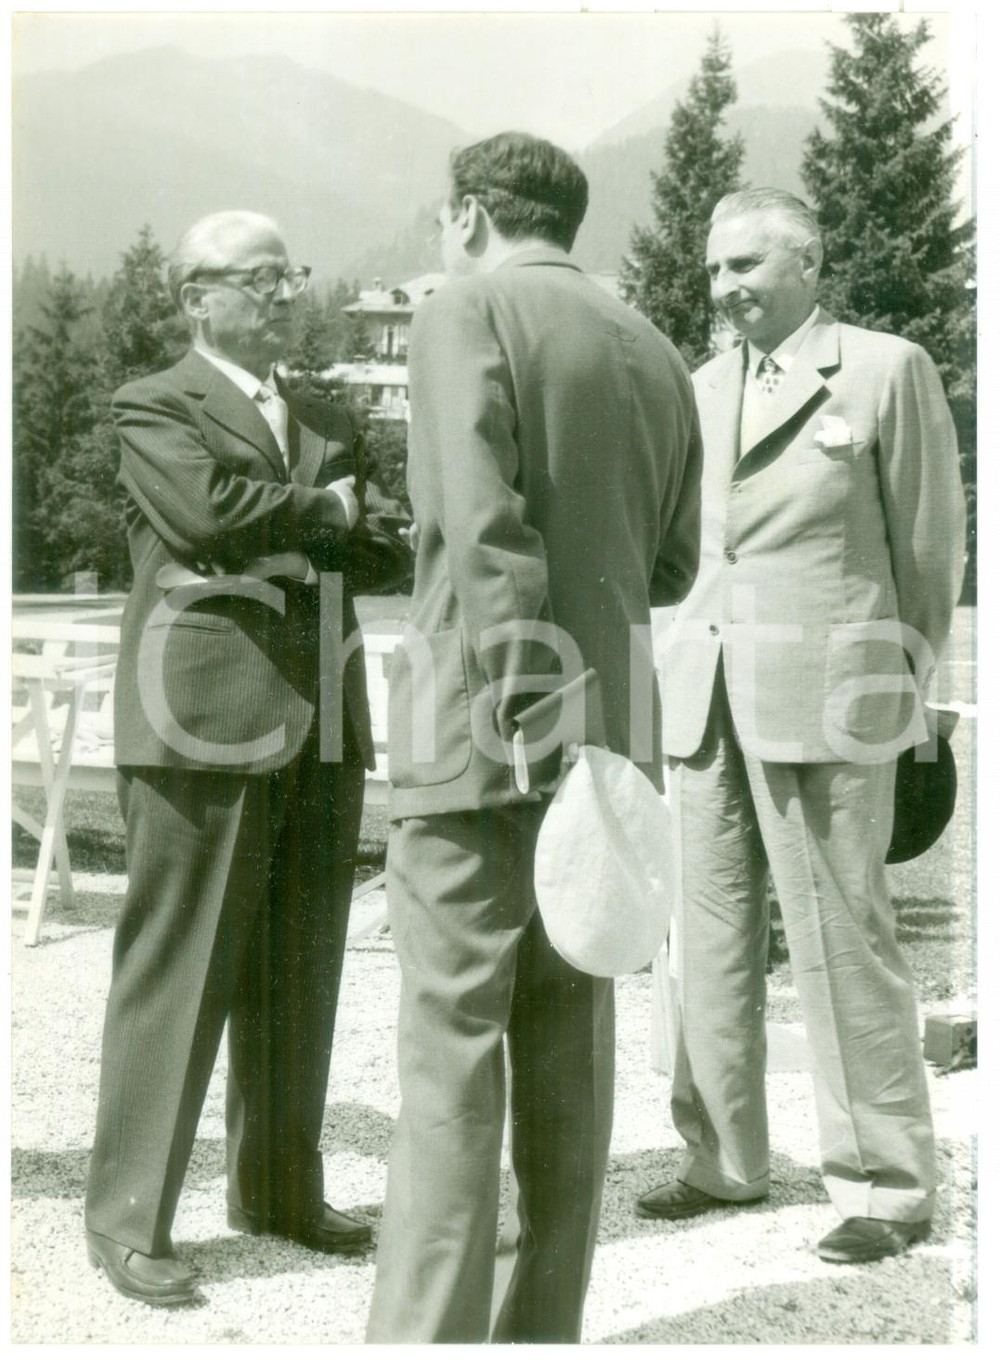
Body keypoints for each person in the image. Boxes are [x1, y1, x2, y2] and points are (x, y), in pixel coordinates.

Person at [365, 131, 703, 1343]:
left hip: (485, 734)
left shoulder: (464, 311)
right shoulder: (654, 348)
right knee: (568, 1056)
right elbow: (671, 560)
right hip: (611, 747)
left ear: (467, 214)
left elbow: (479, 520)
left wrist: (524, 701)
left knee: (452, 1060)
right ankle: (537, 1334)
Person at [636, 188, 966, 1264]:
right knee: (708, 941)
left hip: (834, 701)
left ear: (809, 262)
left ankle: (884, 1182)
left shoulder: (884, 370)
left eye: (746, 266)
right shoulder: (694, 389)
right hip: (705, 699)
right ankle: (721, 1160)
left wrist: (905, 693)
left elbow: (926, 555)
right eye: (715, 270)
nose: (726, 288)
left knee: (840, 940)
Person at [85, 210, 379, 1306]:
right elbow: (207, 516)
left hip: (323, 714)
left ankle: (277, 1191)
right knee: (179, 965)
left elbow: (382, 539)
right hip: (199, 714)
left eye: (288, 275)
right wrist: (321, 516)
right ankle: (126, 1220)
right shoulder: (154, 401)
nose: (281, 294)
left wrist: (309, 523)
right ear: (195, 296)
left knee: (301, 965)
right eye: (258, 280)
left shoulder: (326, 411)